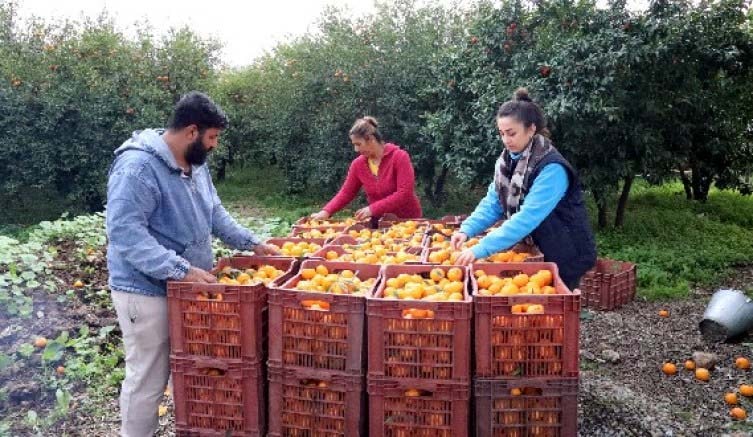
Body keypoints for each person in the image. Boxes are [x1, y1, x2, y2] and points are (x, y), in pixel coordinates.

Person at [105, 91, 278, 437]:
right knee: (148, 378)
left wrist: (253, 243)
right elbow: (125, 233)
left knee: (187, 368)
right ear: (191, 131)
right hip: (145, 290)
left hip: (187, 290)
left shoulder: (196, 165)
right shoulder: (138, 168)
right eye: (211, 137)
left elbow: (214, 212)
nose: (214, 146)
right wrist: (180, 269)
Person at [451, 88, 596, 290]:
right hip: (535, 250)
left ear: (531, 129)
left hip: (565, 251)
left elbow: (528, 217)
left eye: (511, 133)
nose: (506, 140)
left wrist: (481, 249)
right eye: (501, 134)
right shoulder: (506, 161)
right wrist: (467, 229)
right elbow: (493, 203)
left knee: (554, 311)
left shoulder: (552, 168)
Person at [310, 116, 422, 223]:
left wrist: (372, 209)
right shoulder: (358, 165)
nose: (355, 149)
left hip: (408, 222)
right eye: (354, 145)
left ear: (371, 139)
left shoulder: (399, 157)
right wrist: (326, 211)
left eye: (358, 144)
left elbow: (404, 193)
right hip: (379, 223)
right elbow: (346, 193)